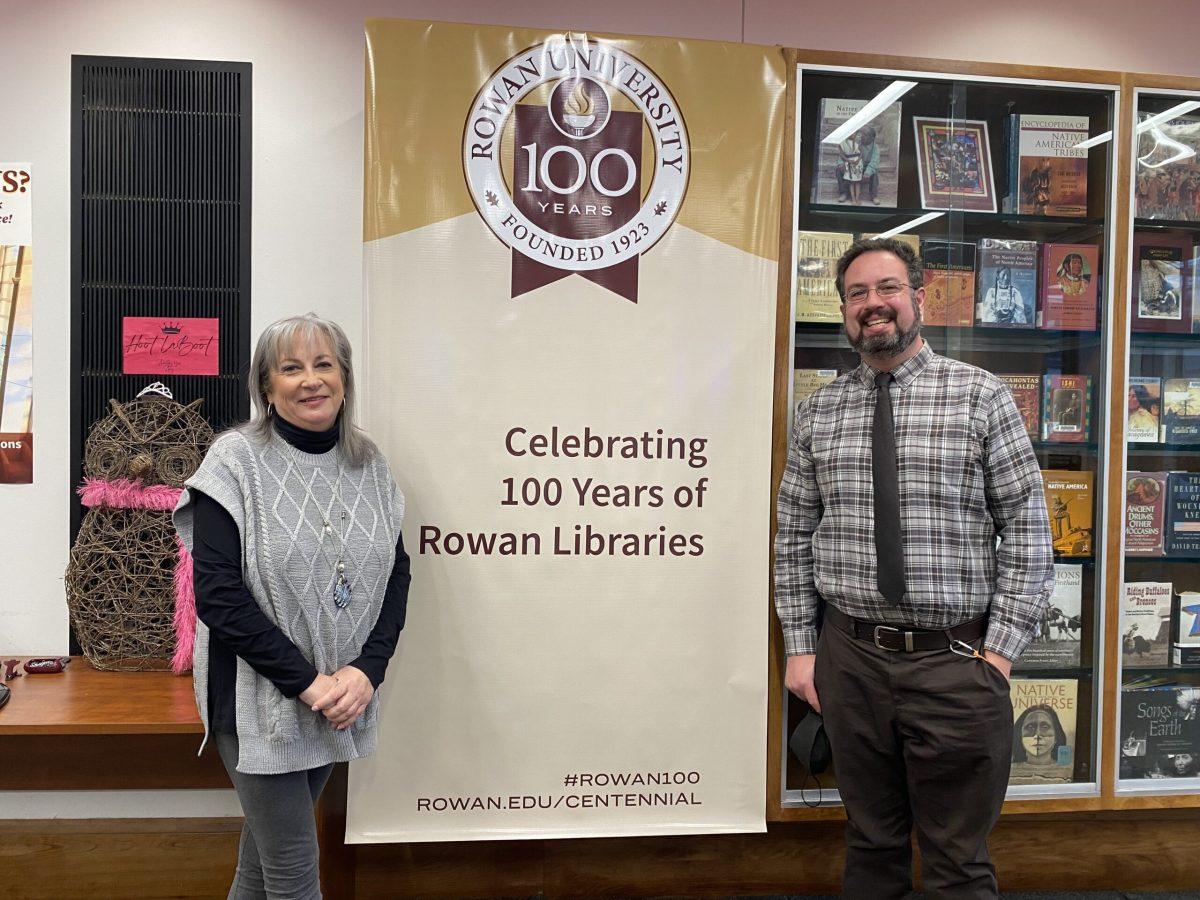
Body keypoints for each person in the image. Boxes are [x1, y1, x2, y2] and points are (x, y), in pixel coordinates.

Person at [774, 237, 1054, 899]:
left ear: (919, 298)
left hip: (955, 665)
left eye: (888, 289)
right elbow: (792, 537)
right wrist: (801, 650)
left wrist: (1001, 656)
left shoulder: (980, 398)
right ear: (843, 309)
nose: (874, 305)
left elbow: (1029, 533)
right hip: (851, 661)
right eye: (858, 294)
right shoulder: (818, 413)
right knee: (871, 849)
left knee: (958, 864)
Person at [173, 313, 411, 899]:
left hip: (337, 699)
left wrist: (366, 673)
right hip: (257, 700)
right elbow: (219, 597)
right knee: (294, 873)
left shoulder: (369, 464)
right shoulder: (235, 461)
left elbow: (396, 574)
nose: (311, 380)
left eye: (324, 364)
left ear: (345, 379)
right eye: (291, 368)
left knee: (261, 866)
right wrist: (310, 684)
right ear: (266, 387)